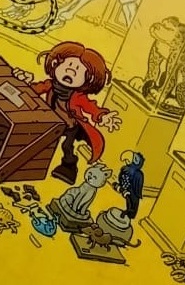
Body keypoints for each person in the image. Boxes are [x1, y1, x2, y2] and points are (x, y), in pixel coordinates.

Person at [19, 40, 120, 186]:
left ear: (88, 79)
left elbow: (90, 107)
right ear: (56, 64)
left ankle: (68, 169)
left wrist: (102, 116)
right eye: (68, 66)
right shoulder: (50, 84)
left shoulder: (78, 96)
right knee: (39, 138)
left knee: (67, 147)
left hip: (70, 126)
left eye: (78, 71)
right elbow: (35, 90)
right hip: (51, 121)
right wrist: (25, 83)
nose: (70, 72)